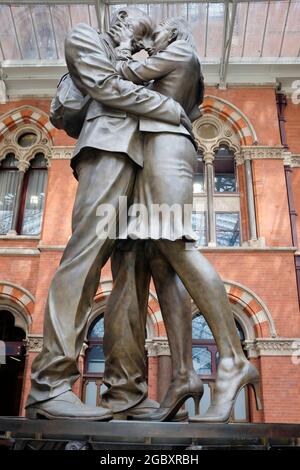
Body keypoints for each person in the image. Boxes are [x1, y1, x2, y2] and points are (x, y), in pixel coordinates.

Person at [25, 7, 188, 421]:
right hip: (108, 151)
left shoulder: (143, 59)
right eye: (131, 17)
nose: (133, 24)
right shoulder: (86, 36)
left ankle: (125, 393)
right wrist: (167, 109)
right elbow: (105, 88)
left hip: (146, 161)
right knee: (85, 256)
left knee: (134, 275)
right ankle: (50, 384)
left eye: (143, 26)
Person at [102, 17, 262, 422]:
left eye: (156, 32)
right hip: (158, 153)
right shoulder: (175, 60)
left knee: (176, 243)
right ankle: (185, 375)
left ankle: (231, 358)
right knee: (161, 258)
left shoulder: (179, 51)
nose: (150, 38)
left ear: (172, 35)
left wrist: (125, 43)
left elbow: (118, 77)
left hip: (167, 152)